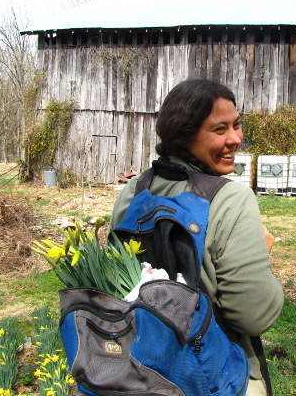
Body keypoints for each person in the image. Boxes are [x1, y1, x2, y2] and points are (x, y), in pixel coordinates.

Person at [110, 78, 284, 396]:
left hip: (140, 369)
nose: (235, 139)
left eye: (237, 125)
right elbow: (255, 315)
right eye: (220, 130)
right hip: (214, 375)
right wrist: (260, 251)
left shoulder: (133, 192)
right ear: (184, 135)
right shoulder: (231, 199)